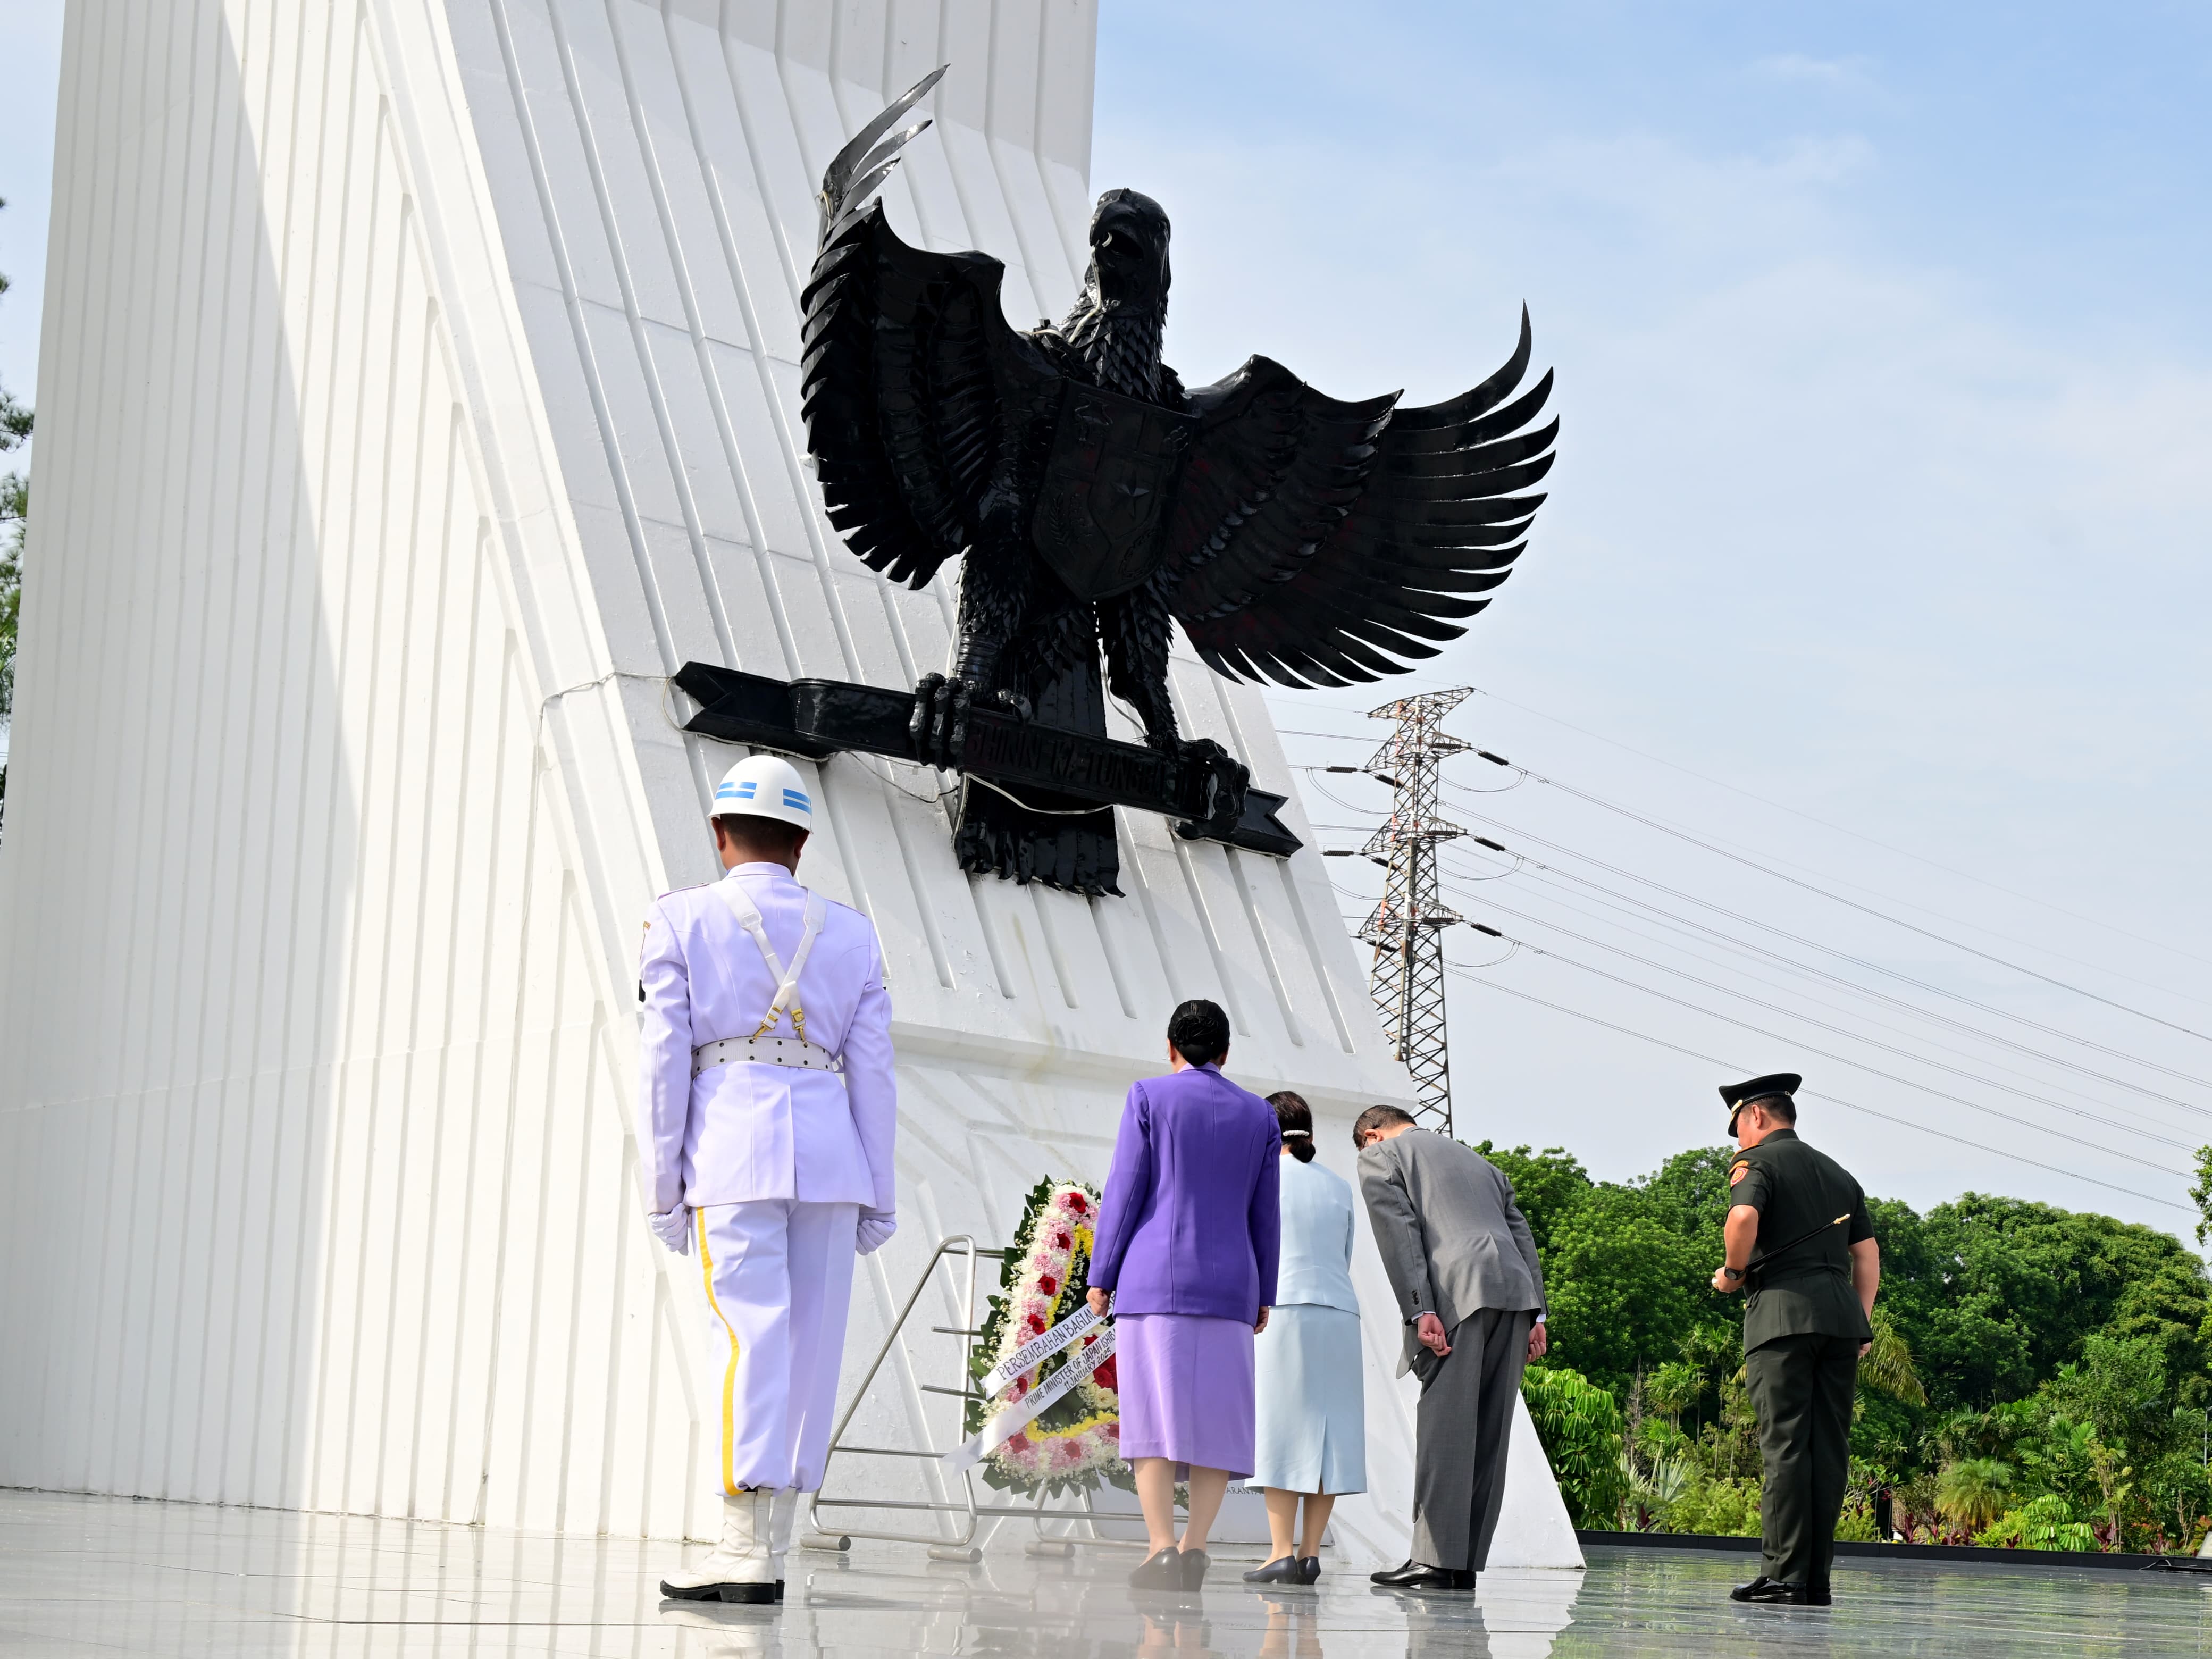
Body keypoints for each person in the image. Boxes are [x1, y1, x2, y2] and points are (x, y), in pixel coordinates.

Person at [638, 755, 899, 1605]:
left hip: (733, 1150)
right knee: (811, 1344)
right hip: (831, 1159)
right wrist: (880, 1191)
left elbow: (663, 1061)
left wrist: (662, 1182)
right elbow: (876, 1072)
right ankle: (774, 1540)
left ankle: (739, 1543)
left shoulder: (681, 921)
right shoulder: (854, 934)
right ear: (802, 842)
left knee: (746, 1337)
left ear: (720, 834)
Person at [1088, 999, 1282, 1592]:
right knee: (1216, 1424)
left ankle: (1161, 1547)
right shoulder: (1259, 1116)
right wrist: (1262, 1291)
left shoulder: (1149, 1096)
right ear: (1225, 1052)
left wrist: (1102, 1273)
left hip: (1155, 1280)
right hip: (1230, 1288)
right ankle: (1196, 1547)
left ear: (1171, 1048)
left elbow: (1125, 1189)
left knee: (1151, 1418)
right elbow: (1265, 1213)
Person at [1354, 1104, 1547, 1594]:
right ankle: (1464, 1565)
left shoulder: (1384, 1157)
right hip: (1515, 1294)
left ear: (1372, 1136)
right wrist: (1538, 1314)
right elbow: (1520, 1233)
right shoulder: (1479, 1162)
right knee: (1489, 1434)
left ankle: (1433, 1562)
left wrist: (1421, 1310)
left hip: (1458, 1293)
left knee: (1446, 1429)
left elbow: (1400, 1233)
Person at [1710, 1073, 1878, 1608]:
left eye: (1736, 1125)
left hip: (1781, 1317)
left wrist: (1734, 1271)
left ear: (1755, 1116)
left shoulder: (1756, 1163)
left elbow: (1741, 1216)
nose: (1735, 1137)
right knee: (1826, 1450)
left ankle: (1781, 1574)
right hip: (1840, 1322)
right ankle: (1813, 1579)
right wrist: (1861, 1319)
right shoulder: (1838, 1173)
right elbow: (1866, 1255)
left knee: (1784, 1446)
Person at [1244, 1090, 1365, 1587]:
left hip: (1283, 1310)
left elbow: (1253, 1248)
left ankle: (1279, 1552)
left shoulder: (1261, 1181)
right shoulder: (1339, 1185)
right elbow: (1345, 1252)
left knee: (1281, 1429)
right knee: (1329, 1434)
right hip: (1338, 1312)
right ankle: (1311, 1553)